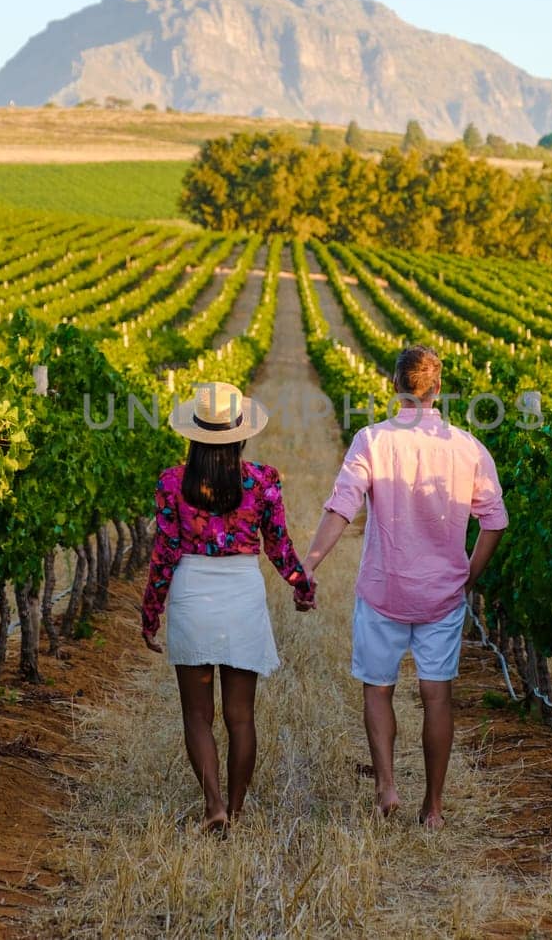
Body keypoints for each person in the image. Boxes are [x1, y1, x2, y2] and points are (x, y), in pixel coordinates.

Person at [304, 345, 508, 829]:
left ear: (393, 386)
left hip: (383, 590)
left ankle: (386, 788)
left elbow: (341, 506)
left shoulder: (372, 440)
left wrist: (311, 562)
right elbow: (495, 521)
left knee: (378, 691)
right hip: (441, 596)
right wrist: (467, 575)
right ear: (437, 390)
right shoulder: (467, 446)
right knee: (438, 696)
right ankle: (433, 808)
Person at [142, 380, 317, 833]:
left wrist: (151, 611)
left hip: (192, 592)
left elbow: (164, 554)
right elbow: (278, 545)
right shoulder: (263, 480)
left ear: (193, 435)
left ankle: (213, 805)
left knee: (197, 715)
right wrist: (300, 584)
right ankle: (236, 811)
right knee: (241, 715)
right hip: (241, 592)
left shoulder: (170, 482)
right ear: (240, 434)